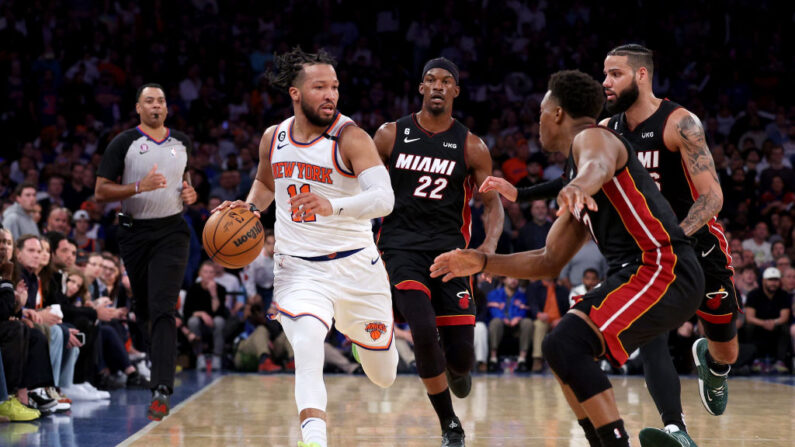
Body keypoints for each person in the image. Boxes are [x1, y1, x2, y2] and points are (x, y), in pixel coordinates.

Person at [481, 45, 740, 446]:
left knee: (727, 350)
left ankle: (714, 365)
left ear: (641, 75)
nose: (606, 82)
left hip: (695, 244)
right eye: (604, 74)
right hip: (651, 257)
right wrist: (525, 193)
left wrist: (671, 235)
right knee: (645, 338)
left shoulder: (679, 122)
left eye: (615, 74)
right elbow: (585, 169)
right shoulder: (607, 128)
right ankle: (676, 429)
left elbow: (712, 199)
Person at [430, 70, 704, 447]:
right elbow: (548, 261)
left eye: (541, 110)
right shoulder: (576, 170)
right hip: (645, 274)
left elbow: (599, 165)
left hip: (663, 268)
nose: (538, 118)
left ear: (556, 113)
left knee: (566, 343)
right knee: (559, 347)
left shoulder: (594, 138)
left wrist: (576, 187)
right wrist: (480, 261)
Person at [213, 47, 398, 447]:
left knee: (385, 374)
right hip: (299, 268)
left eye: (334, 86)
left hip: (356, 268)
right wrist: (246, 210)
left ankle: (364, 348)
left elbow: (384, 199)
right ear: (295, 93)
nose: (331, 94)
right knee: (308, 343)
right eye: (320, 87)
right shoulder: (274, 137)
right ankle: (314, 438)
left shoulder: (351, 137)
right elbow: (266, 185)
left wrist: (333, 205)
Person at [373, 57, 504, 447]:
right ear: (420, 87)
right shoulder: (389, 135)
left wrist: (488, 250)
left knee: (461, 357)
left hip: (452, 256)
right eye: (430, 80)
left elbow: (492, 205)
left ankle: (459, 371)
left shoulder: (471, 145)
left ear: (456, 91)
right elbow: (360, 187)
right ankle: (450, 425)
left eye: (446, 81)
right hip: (400, 250)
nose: (437, 86)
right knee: (424, 330)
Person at [95, 82, 197, 420]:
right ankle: (153, 365)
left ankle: (161, 389)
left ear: (167, 108)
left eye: (161, 101)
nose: (156, 106)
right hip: (134, 232)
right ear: (138, 108)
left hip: (172, 231)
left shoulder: (182, 141)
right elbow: (101, 191)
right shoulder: (124, 142)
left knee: (163, 307)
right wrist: (139, 186)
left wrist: (190, 193)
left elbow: (186, 181)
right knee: (144, 310)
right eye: (149, 101)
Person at [745, 267, 791, 373]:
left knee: (785, 327)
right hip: (758, 326)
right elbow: (749, 317)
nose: (773, 283)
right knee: (749, 326)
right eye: (770, 280)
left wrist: (773, 323)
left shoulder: (783, 295)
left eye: (776, 280)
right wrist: (764, 323)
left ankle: (780, 361)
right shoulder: (754, 294)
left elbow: (784, 317)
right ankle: (755, 360)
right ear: (764, 281)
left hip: (776, 326)